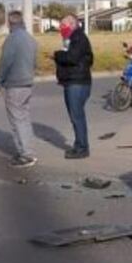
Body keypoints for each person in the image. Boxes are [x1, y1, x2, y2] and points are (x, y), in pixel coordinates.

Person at [0, 10, 38, 168]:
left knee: (17, 120)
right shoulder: (30, 39)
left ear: (10, 23)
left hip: (15, 84)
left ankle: (26, 154)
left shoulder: (11, 40)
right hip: (27, 83)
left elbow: (5, 63)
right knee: (24, 118)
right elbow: (34, 63)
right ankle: (28, 150)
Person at [53, 14, 94, 159]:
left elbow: (72, 57)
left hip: (77, 83)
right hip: (73, 81)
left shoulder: (78, 38)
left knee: (77, 116)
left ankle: (82, 148)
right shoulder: (71, 38)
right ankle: (78, 145)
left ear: (72, 24)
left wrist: (56, 55)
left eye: (63, 25)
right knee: (75, 116)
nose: (60, 28)